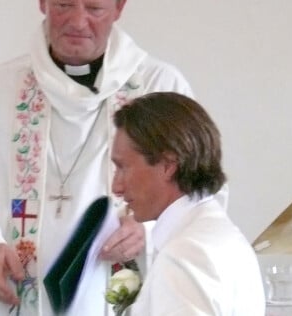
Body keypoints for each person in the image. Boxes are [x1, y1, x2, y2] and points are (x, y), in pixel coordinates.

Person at [0, 0, 194, 316]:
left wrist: (147, 232)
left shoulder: (161, 90)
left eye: (94, 9)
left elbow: (200, 194)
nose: (77, 22)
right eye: (63, 5)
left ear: (120, 6)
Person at [111, 91, 265, 315]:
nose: (116, 187)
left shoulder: (185, 253)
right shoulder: (216, 233)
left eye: (123, 167)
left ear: (168, 165)